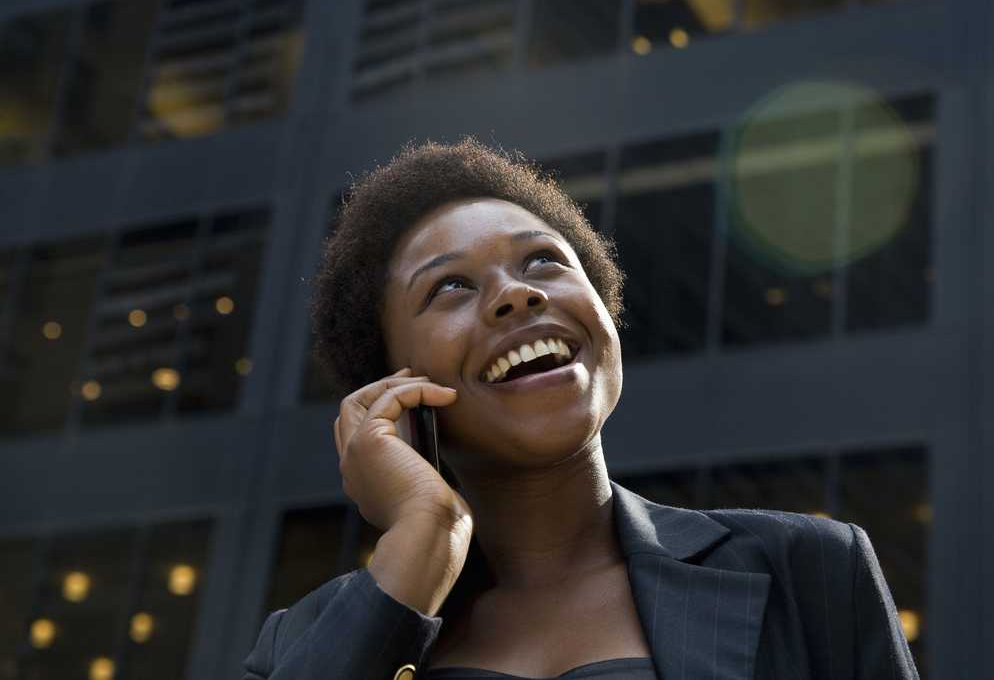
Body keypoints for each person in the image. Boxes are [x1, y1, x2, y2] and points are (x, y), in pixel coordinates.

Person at [241, 138, 920, 680]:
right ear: (393, 383)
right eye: (450, 286)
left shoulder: (810, 573)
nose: (517, 295)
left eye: (542, 261)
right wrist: (423, 534)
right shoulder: (302, 643)